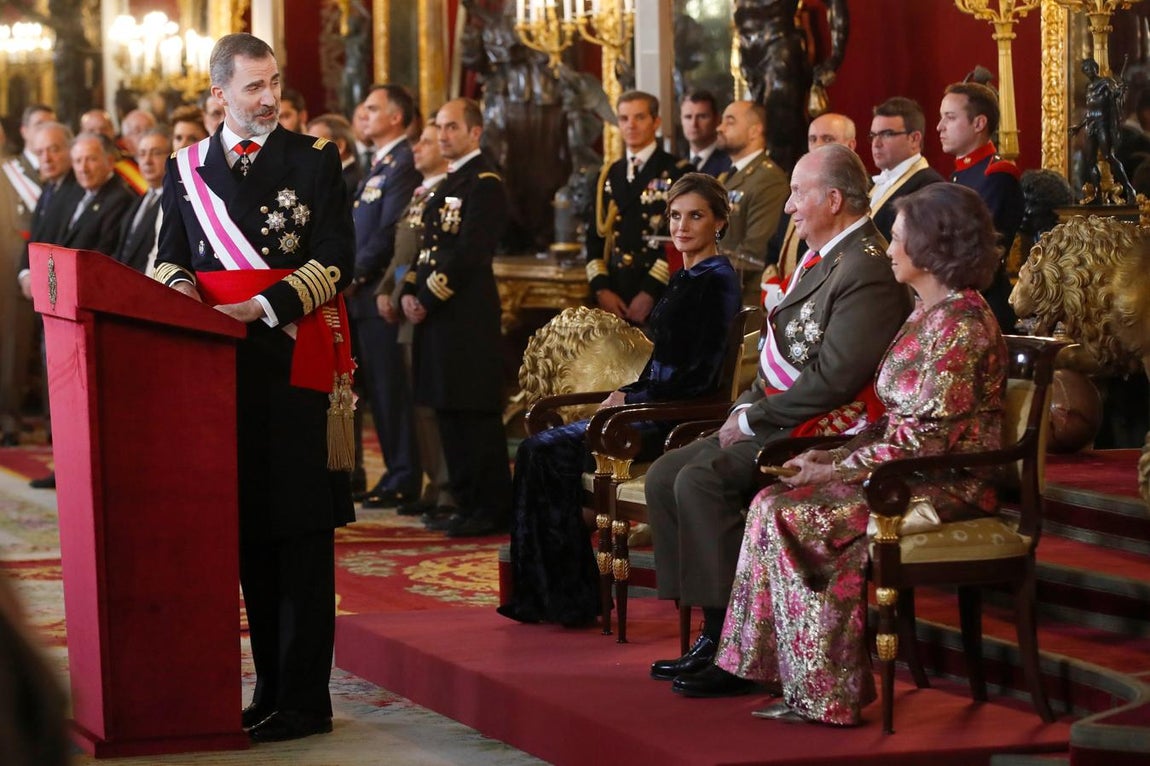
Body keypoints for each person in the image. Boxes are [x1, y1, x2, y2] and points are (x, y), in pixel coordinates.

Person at [673, 183, 1008, 726]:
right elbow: (890, 422)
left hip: (943, 485)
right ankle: (777, 672)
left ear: (931, 248)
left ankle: (828, 693)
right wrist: (833, 457)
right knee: (769, 503)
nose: (891, 249)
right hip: (902, 471)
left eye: (898, 239)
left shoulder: (961, 327)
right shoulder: (928, 311)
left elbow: (924, 444)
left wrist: (834, 466)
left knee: (798, 516)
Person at [645, 143, 913, 684]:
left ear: (833, 199)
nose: (789, 206)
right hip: (783, 413)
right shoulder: (825, 255)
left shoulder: (865, 266)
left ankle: (737, 651)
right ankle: (712, 627)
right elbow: (779, 362)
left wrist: (750, 420)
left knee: (700, 478)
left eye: (797, 193)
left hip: (825, 428)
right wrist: (745, 407)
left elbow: (835, 379)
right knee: (664, 472)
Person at [153, 32, 355, 743]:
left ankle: (305, 699)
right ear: (219, 94)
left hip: (292, 363)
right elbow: (168, 257)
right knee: (248, 534)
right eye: (252, 88)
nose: (269, 99)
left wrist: (264, 306)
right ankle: (268, 690)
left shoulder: (314, 159)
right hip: (216, 373)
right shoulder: (186, 169)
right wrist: (185, 299)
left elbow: (338, 257)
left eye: (274, 84)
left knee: (299, 534)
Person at [499, 173, 742, 627]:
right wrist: (628, 392)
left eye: (696, 216)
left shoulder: (715, 280)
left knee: (542, 452)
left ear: (720, 223)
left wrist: (632, 400)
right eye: (675, 215)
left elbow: (693, 377)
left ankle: (567, 599)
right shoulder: (689, 275)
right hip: (648, 406)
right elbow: (664, 364)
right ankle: (556, 596)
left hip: (670, 421)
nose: (682, 226)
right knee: (538, 453)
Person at [400, 98, 512, 538]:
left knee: (473, 414)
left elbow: (470, 252)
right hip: (436, 318)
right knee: (446, 411)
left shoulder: (483, 184)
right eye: (439, 127)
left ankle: (490, 506)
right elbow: (428, 249)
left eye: (451, 128)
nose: (443, 135)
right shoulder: (446, 184)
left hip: (465, 317)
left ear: (474, 133)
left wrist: (427, 295)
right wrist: (411, 288)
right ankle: (463, 501)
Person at [376, 119, 455, 519]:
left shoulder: (449, 194)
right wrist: (385, 292)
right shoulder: (419, 194)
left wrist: (406, 293)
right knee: (416, 403)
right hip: (406, 301)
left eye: (426, 142)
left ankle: (447, 487)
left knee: (432, 402)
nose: (417, 149)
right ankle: (432, 481)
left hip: (429, 306)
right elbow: (399, 252)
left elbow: (432, 256)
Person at [350, 85, 422, 510]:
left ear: (396, 117)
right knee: (375, 390)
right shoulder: (378, 164)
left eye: (374, 109)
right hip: (360, 295)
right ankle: (394, 473)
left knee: (392, 392)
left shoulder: (403, 164)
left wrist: (356, 273)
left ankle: (404, 475)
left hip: (378, 291)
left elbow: (391, 229)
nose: (364, 115)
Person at [586, 90, 689, 325]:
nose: (630, 125)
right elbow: (594, 238)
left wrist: (649, 291)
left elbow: (682, 239)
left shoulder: (677, 171)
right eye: (624, 119)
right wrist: (602, 289)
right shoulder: (607, 175)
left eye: (639, 117)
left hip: (660, 291)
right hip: (614, 292)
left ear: (656, 122)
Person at [938, 81, 1022, 331]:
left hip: (982, 307)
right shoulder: (959, 175)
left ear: (979, 123)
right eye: (941, 118)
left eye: (950, 118)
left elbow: (976, 250)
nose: (939, 127)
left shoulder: (996, 175)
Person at [765, 112, 857, 291]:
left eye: (828, 139)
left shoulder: (857, 194)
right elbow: (774, 246)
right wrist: (773, 285)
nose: (818, 146)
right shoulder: (796, 190)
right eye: (813, 139)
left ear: (850, 145)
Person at [713, 100, 787, 298]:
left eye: (730, 122)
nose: (719, 128)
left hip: (744, 295)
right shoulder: (728, 175)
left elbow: (756, 251)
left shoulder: (768, 179)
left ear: (755, 131)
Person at [868, 97, 945, 240]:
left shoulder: (929, 186)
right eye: (873, 135)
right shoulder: (872, 183)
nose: (876, 143)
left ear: (914, 139)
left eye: (887, 134)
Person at [56, 132, 137, 255]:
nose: (83, 169)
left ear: (110, 162)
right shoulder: (73, 194)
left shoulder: (120, 199)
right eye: (78, 161)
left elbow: (104, 253)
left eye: (91, 159)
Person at [113, 128, 170, 274]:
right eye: (142, 154)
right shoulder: (139, 199)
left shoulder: (172, 201)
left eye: (156, 153)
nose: (147, 161)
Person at [680, 91, 731, 177]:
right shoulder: (677, 165)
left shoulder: (729, 162)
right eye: (688, 117)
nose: (694, 124)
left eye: (702, 116)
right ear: (681, 120)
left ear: (717, 119)